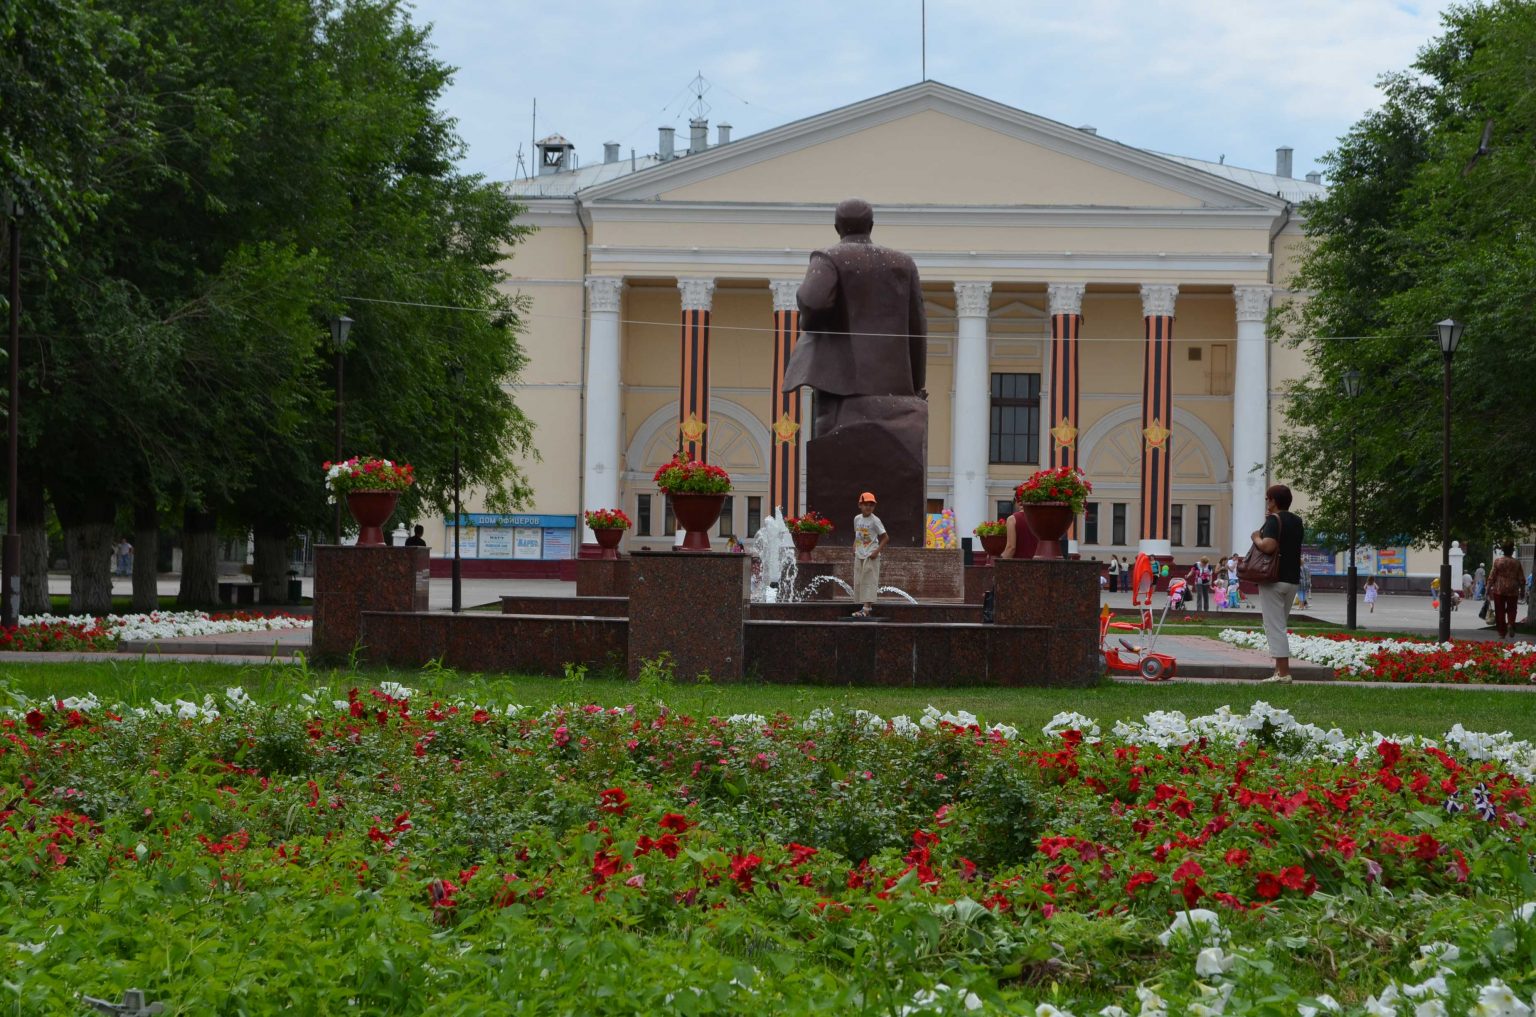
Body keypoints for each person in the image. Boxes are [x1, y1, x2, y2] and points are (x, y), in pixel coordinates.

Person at [1249, 484, 1305, 683]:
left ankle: (1283, 673)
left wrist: (1256, 537)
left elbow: (1269, 546)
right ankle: (1278, 672)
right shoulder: (1297, 521)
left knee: (1275, 627)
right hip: (1292, 579)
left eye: (1268, 499)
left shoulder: (1274, 520)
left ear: (1273, 500)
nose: (1267, 502)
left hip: (1273, 579)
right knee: (1280, 624)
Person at [850, 491, 887, 619]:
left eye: (871, 505)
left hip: (871, 555)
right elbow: (857, 534)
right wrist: (854, 545)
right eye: (866, 504)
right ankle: (866, 607)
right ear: (860, 505)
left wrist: (876, 551)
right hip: (859, 554)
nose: (868, 507)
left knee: (869, 581)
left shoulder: (875, 521)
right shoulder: (857, 519)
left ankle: (865, 609)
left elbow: (885, 537)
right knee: (860, 580)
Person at [1486, 543, 1527, 640]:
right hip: (1513, 589)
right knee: (1512, 609)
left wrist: (1487, 588)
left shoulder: (1498, 561)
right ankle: (1511, 624)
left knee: (1499, 610)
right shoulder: (1516, 563)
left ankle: (1502, 632)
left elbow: (1492, 576)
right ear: (1512, 551)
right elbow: (1521, 578)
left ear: (1503, 551)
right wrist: (1522, 590)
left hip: (1499, 589)